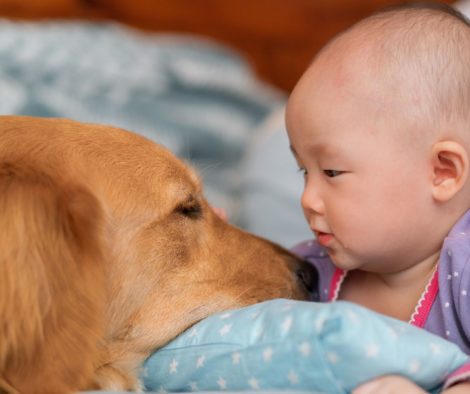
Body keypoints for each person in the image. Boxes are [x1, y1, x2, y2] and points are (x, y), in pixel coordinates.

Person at [286, 2, 470, 393]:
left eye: (332, 172)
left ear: (443, 172)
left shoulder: (464, 267)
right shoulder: (310, 268)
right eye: (304, 171)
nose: (308, 198)